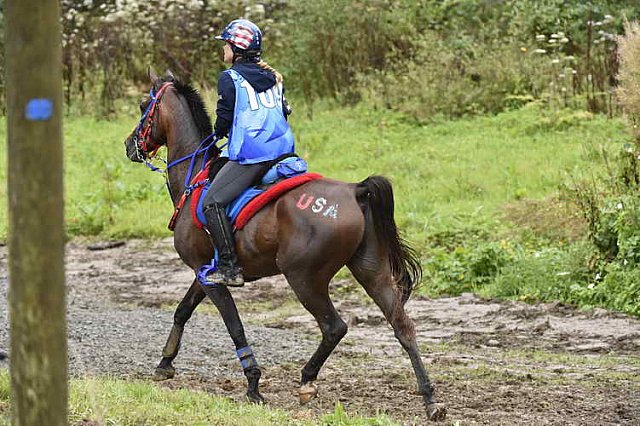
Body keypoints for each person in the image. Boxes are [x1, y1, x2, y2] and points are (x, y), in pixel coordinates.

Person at [202, 18, 294, 287]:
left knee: (212, 202)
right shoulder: (276, 77)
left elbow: (223, 120)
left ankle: (230, 268)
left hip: (253, 157)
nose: (223, 50)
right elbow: (284, 112)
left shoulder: (229, 78)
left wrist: (213, 138)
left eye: (226, 45)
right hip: (285, 154)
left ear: (236, 49)